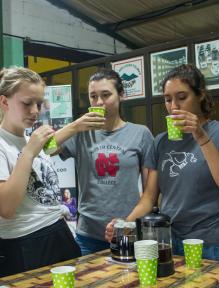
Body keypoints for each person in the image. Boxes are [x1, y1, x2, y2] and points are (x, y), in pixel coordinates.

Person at [106, 64, 219, 262]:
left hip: (210, 242)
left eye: (182, 97)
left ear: (200, 96)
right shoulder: (161, 141)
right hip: (169, 240)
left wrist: (200, 135)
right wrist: (125, 224)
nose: (174, 106)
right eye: (167, 99)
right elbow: (149, 198)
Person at [0, 67, 81, 278]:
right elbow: (6, 207)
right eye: (27, 103)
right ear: (4, 101)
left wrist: (77, 126)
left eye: (38, 104)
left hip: (59, 233)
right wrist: (28, 153)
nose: (35, 111)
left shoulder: (29, 140)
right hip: (26, 244)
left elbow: (51, 145)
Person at [55, 68, 154, 255]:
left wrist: (126, 225)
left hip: (128, 230)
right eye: (93, 96)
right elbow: (45, 148)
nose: (99, 102)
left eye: (106, 95)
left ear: (121, 95)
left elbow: (150, 194)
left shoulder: (140, 134)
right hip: (87, 236)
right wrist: (75, 126)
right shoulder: (81, 133)